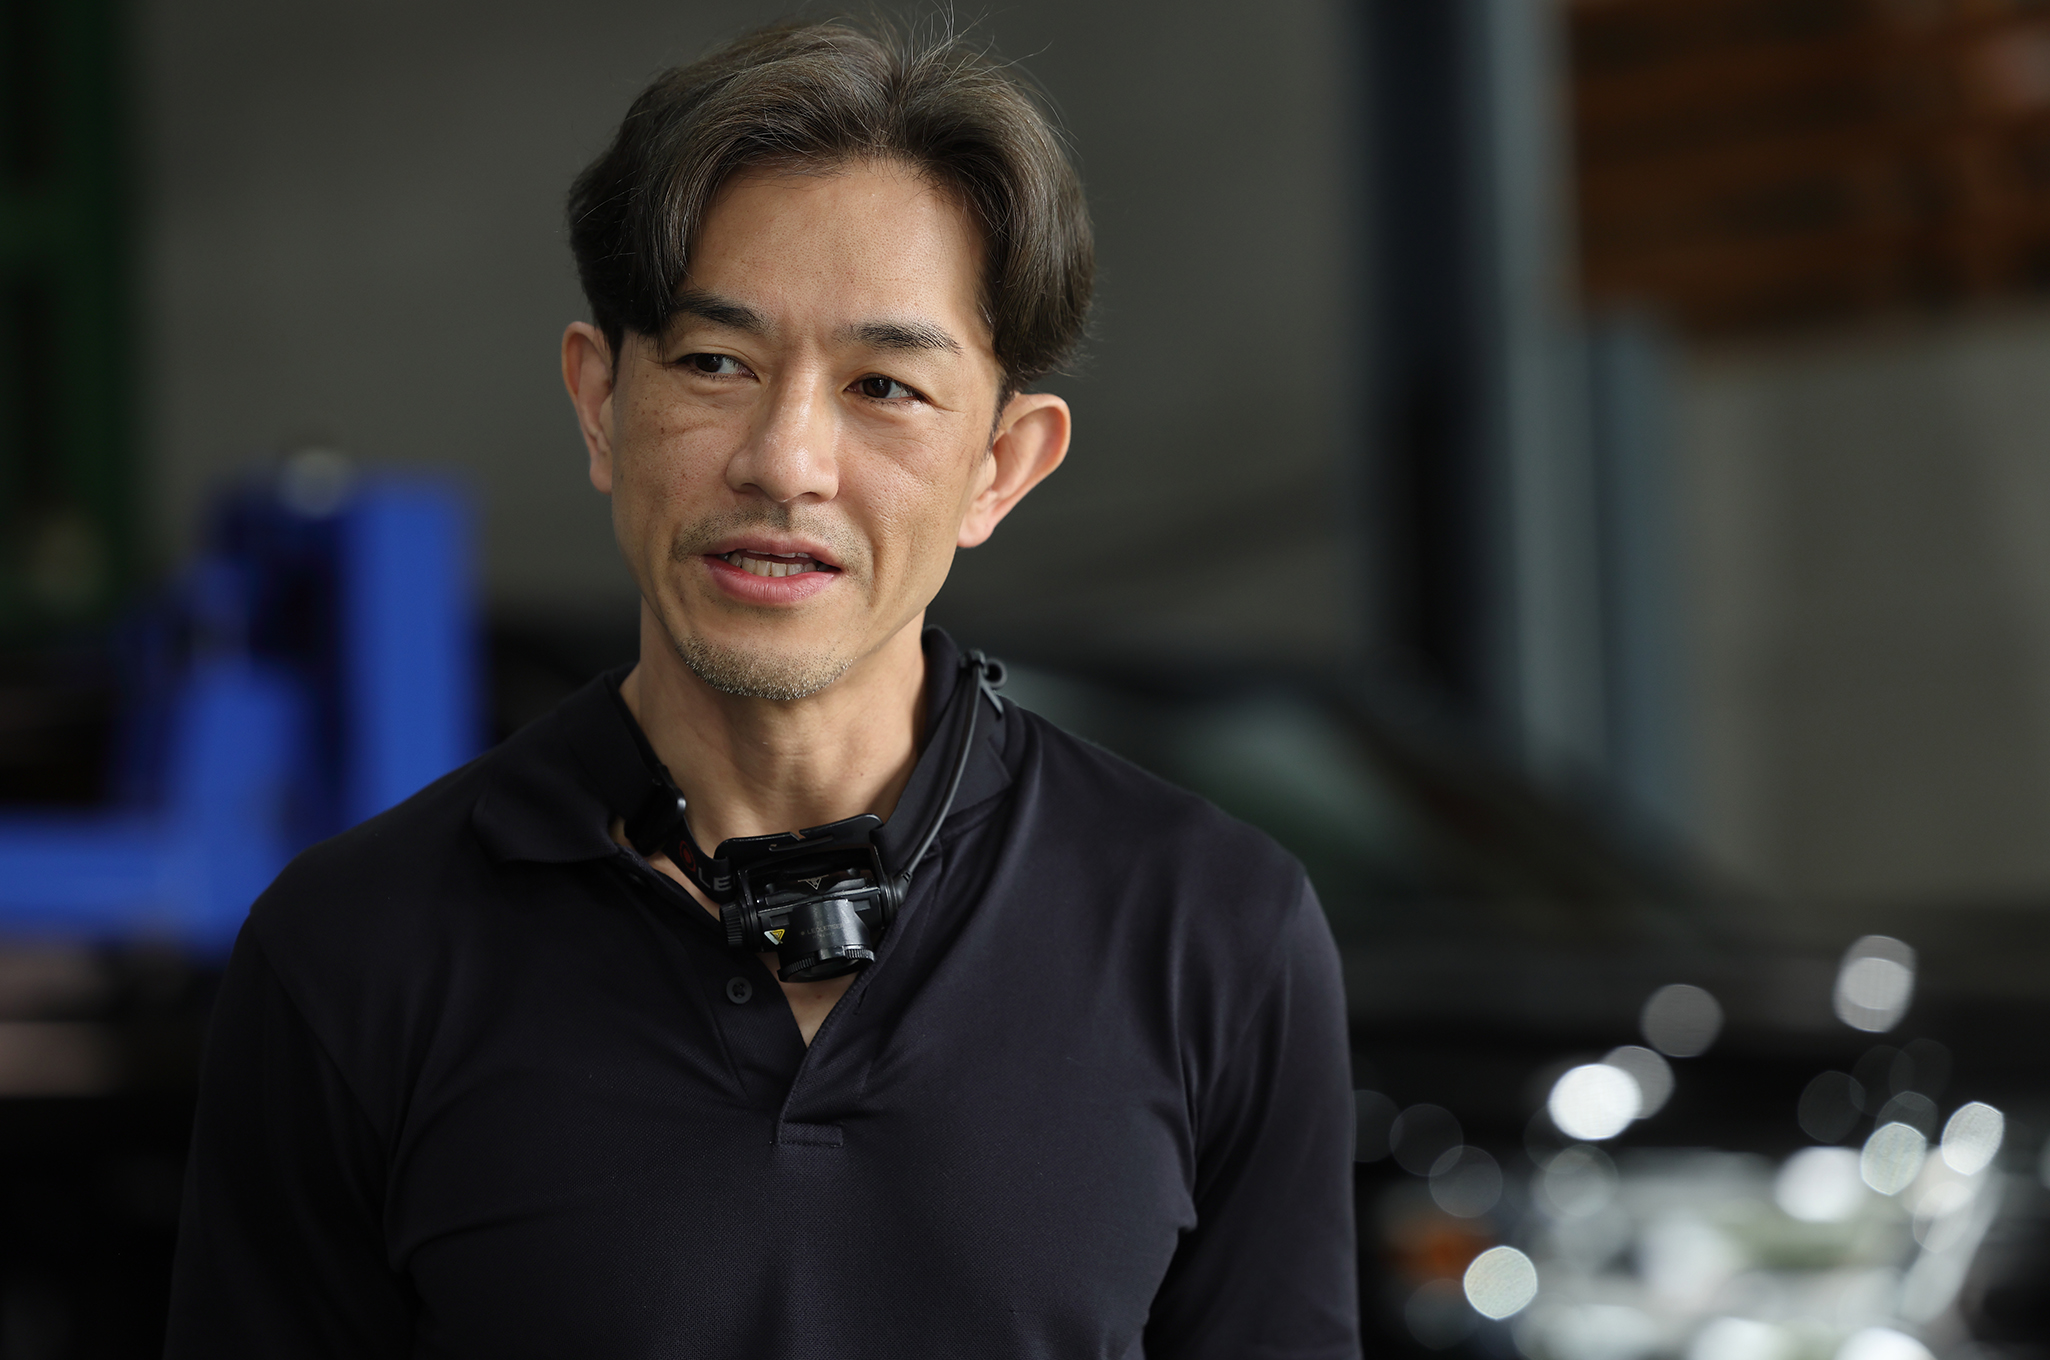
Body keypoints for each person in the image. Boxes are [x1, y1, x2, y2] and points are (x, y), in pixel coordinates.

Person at [165, 18, 1357, 1358]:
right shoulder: (352, 952)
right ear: (599, 402)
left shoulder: (1212, 935)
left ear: (1002, 466)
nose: (786, 461)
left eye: (884, 386)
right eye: (715, 363)